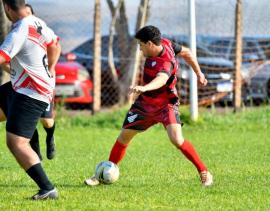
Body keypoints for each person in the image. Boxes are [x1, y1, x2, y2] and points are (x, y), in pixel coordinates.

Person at [85, 25, 213, 187]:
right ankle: (104, 172)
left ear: (150, 44)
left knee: (177, 139)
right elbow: (187, 52)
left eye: (141, 45)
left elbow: (161, 78)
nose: (140, 49)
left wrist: (144, 87)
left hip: (166, 104)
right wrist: (199, 73)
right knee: (124, 136)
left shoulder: (164, 62)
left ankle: (204, 172)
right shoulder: (166, 43)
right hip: (145, 104)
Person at [0, 0, 61, 199]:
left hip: (31, 93)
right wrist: (50, 68)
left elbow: (1, 57)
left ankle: (47, 188)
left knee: (16, 143)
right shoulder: (37, 22)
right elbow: (55, 44)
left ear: (7, 8)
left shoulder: (19, 30)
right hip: (22, 88)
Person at [25, 3, 56, 161]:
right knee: (27, 121)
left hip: (43, 83)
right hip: (24, 86)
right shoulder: (17, 34)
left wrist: (51, 67)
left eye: (29, 13)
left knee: (46, 121)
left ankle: (50, 137)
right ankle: (36, 155)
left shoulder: (43, 32)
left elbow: (56, 47)